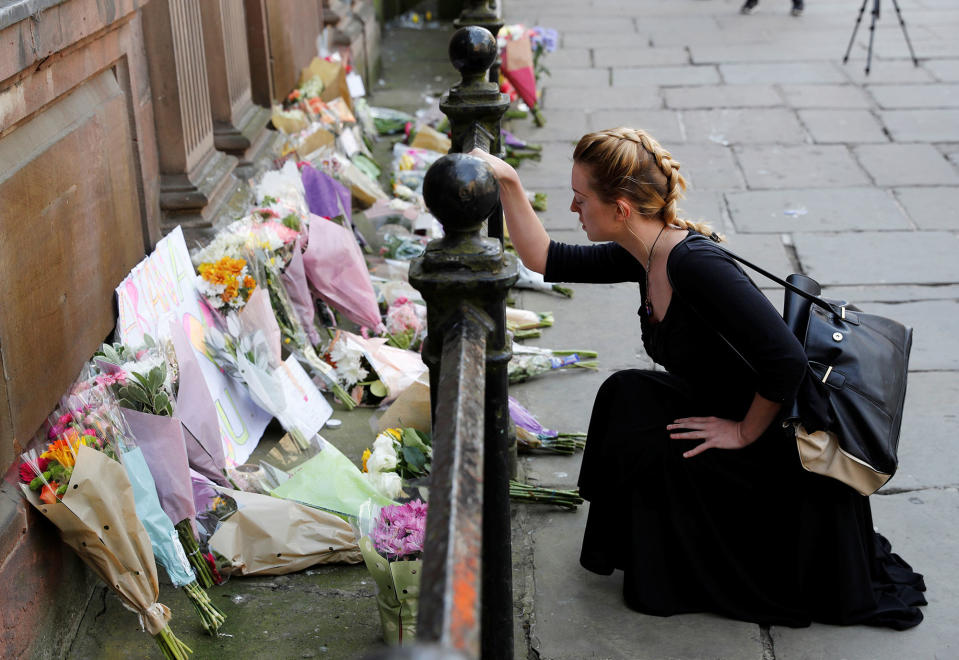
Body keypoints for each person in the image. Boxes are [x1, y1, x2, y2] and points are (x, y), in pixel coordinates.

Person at [469, 127, 926, 629]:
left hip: (775, 439)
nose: (574, 209)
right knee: (627, 396)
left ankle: (684, 564)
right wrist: (508, 183)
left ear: (621, 208)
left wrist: (742, 432)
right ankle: (642, 547)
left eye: (580, 199)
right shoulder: (643, 252)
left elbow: (786, 360)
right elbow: (545, 258)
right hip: (725, 398)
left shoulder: (695, 264)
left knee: (646, 420)